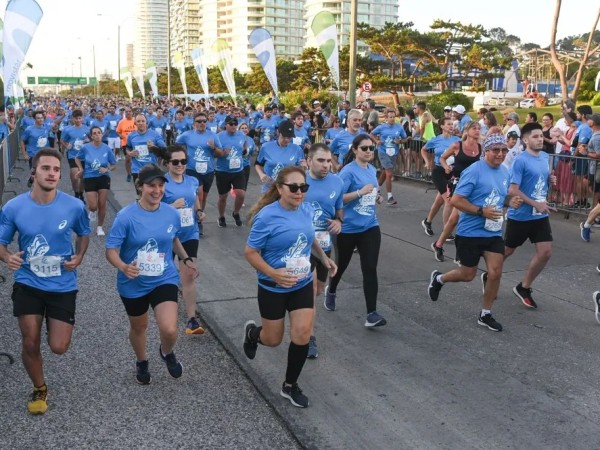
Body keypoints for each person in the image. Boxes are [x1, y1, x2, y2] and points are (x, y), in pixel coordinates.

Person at [0, 148, 91, 414]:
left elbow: (83, 233)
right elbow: (1, 243)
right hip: (28, 281)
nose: (52, 174)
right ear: (34, 172)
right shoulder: (14, 207)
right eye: (46, 168)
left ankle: (54, 323)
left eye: (56, 170)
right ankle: (39, 388)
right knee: (30, 341)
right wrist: (7, 258)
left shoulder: (73, 206)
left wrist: (80, 255)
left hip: (62, 283)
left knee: (59, 347)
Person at [242, 166, 337, 408]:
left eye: (303, 187)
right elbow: (250, 252)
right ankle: (253, 334)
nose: (299, 192)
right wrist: (273, 273)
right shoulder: (267, 216)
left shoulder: (305, 209)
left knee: (303, 334)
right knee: (273, 339)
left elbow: (310, 237)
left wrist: (324, 258)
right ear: (279, 188)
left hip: (302, 283)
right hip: (272, 286)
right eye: (293, 187)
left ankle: (290, 385)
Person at [105, 164, 198, 385]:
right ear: (140, 187)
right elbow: (110, 251)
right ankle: (141, 361)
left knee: (170, 328)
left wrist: (185, 258)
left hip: (163, 277)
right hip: (133, 281)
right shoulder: (125, 217)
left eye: (160, 186)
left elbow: (173, 238)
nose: (157, 191)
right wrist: (123, 267)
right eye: (151, 186)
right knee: (139, 326)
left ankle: (166, 352)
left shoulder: (171, 214)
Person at [428, 134, 522, 332]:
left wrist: (509, 202)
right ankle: (439, 279)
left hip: (493, 232)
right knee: (468, 274)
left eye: (504, 150)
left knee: (495, 272)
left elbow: (499, 198)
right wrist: (481, 211)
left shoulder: (505, 172)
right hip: (470, 232)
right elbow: (456, 200)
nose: (500, 154)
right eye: (496, 150)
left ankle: (485, 314)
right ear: (486, 151)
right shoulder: (474, 171)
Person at [324, 134, 387, 327]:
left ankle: (371, 314)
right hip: (347, 228)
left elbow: (372, 190)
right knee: (341, 265)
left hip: (370, 226)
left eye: (371, 148)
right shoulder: (347, 172)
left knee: (370, 268)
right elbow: (337, 198)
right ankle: (332, 289)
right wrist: (360, 192)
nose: (369, 152)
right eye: (365, 148)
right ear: (355, 150)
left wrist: (377, 197)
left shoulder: (372, 169)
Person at [503, 122, 557, 309]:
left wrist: (550, 179)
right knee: (507, 251)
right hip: (521, 215)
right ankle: (492, 273)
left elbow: (540, 179)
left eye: (541, 136)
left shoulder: (544, 156)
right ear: (525, 140)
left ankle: (524, 287)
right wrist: (536, 204)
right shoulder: (520, 160)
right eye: (535, 136)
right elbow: (513, 190)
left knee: (546, 252)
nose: (540, 139)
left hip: (539, 215)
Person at [304, 144, 344, 358]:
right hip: (302, 245)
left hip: (325, 244)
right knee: (310, 292)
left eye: (329, 161)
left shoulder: (337, 182)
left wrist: (339, 221)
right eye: (321, 160)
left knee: (319, 290)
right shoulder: (299, 182)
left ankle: (300, 313)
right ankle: (309, 338)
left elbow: (339, 210)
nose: (326, 165)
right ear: (309, 161)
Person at [161, 146, 206, 334]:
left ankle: (191, 320)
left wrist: (198, 211)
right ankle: (164, 310)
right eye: (175, 162)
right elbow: (152, 206)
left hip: (190, 233)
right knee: (165, 275)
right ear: (167, 163)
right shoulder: (161, 182)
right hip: (167, 235)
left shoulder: (192, 180)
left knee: (188, 275)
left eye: (183, 161)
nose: (180, 165)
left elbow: (195, 198)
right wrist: (171, 206)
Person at [431, 121, 482, 262]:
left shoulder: (480, 147)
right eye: (474, 128)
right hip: (458, 185)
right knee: (462, 218)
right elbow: (442, 158)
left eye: (479, 128)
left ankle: (438, 244)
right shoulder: (457, 145)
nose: (477, 131)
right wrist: (446, 166)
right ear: (467, 130)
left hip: (473, 187)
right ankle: (460, 253)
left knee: (454, 219)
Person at [176, 111, 218, 236]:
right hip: (192, 169)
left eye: (204, 121)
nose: (202, 123)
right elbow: (177, 144)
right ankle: (194, 220)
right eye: (199, 121)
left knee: (203, 196)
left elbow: (219, 153)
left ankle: (199, 217)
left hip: (208, 170)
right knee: (198, 193)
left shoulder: (213, 136)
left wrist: (214, 148)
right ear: (194, 123)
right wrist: (182, 156)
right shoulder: (187, 135)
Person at [421, 117, 461, 237]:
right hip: (438, 171)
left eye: (452, 124)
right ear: (442, 126)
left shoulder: (457, 140)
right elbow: (423, 150)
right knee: (449, 201)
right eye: (448, 124)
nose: (451, 126)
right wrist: (427, 161)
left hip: (451, 172)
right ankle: (446, 231)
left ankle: (427, 222)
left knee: (439, 201)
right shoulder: (435, 140)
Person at [74, 126, 117, 236]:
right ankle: (92, 211)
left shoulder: (107, 148)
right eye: (94, 133)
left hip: (103, 177)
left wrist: (107, 169)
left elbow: (113, 164)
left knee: (102, 204)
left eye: (99, 133)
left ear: (102, 134)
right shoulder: (86, 148)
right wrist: (81, 169)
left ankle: (99, 227)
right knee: (93, 206)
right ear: (91, 136)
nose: (97, 135)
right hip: (89, 177)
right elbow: (77, 158)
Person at [255, 119, 306, 194]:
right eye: (284, 136)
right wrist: (261, 174)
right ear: (278, 133)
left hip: (289, 190)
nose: (286, 140)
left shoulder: (297, 149)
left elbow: (301, 171)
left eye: (289, 137)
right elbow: (258, 164)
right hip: (269, 189)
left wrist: (304, 167)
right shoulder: (266, 147)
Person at [371, 109, 407, 205]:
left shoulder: (399, 128)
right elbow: (371, 134)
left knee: (385, 172)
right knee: (389, 173)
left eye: (393, 117)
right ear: (386, 118)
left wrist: (400, 141)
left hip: (394, 153)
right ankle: (389, 197)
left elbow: (404, 139)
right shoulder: (381, 127)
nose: (392, 119)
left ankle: (376, 189)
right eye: (390, 117)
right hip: (383, 152)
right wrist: (377, 141)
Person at [126, 114, 166, 190]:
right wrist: (130, 153)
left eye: (143, 121)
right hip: (137, 169)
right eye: (138, 121)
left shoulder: (155, 134)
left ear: (146, 123)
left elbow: (164, 148)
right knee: (140, 194)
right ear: (135, 123)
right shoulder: (131, 136)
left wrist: (154, 146)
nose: (141, 123)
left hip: (151, 169)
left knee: (151, 192)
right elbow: (127, 148)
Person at [60, 109, 90, 202]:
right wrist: (66, 145)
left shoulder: (87, 129)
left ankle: (81, 194)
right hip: (73, 155)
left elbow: (92, 138)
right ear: (72, 119)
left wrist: (88, 140)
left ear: (82, 118)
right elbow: (61, 140)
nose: (78, 120)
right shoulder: (67, 129)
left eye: (79, 118)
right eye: (76, 118)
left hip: (84, 156)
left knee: (82, 177)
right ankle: (76, 194)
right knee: (74, 177)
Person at [116, 107, 136, 182]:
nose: (128, 113)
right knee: (128, 160)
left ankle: (137, 173)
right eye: (126, 112)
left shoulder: (136, 120)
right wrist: (120, 135)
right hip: (126, 143)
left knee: (137, 159)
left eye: (129, 111)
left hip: (136, 143)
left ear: (132, 112)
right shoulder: (121, 122)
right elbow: (118, 131)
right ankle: (129, 173)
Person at [239, 121, 256, 191]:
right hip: (237, 166)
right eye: (242, 128)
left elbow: (252, 153)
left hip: (246, 165)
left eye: (246, 128)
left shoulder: (251, 140)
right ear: (239, 130)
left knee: (244, 186)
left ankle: (241, 201)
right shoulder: (236, 139)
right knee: (237, 186)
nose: (244, 129)